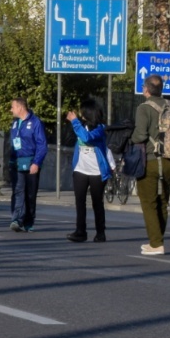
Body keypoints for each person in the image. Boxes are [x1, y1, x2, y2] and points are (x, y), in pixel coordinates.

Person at [131, 74, 170, 255]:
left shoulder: (144, 108)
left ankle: (156, 244)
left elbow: (141, 135)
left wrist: (130, 138)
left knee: (148, 202)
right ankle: (157, 239)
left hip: (150, 161)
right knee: (163, 202)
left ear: (146, 89)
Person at [66, 98, 111, 243]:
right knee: (80, 201)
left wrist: (74, 121)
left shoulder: (100, 129)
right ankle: (80, 231)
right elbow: (75, 138)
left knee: (97, 202)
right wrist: (74, 124)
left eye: (82, 111)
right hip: (80, 169)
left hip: (97, 171)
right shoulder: (81, 126)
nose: (80, 114)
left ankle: (100, 232)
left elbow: (87, 138)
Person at [8, 97, 47, 233]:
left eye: (13, 107)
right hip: (17, 162)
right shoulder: (15, 123)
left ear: (20, 108)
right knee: (18, 191)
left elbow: (42, 144)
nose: (11, 110)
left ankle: (28, 222)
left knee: (30, 194)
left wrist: (36, 163)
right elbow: (13, 143)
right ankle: (16, 219)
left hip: (30, 162)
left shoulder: (35, 123)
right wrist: (11, 160)